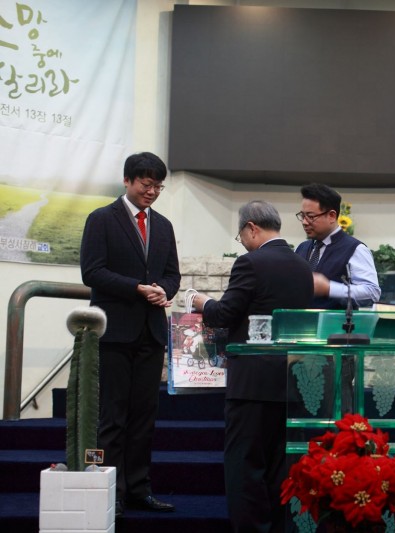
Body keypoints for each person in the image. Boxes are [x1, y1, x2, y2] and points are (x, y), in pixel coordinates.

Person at [191, 200, 314, 533]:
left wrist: (202, 302)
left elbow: (224, 314)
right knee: (281, 469)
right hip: (292, 380)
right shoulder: (303, 266)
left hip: (251, 383)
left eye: (241, 235)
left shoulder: (250, 262)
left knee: (245, 467)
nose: (243, 242)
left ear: (251, 228)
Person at [79, 151, 180, 517]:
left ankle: (139, 489)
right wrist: (137, 288)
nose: (151, 192)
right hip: (115, 333)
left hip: (150, 334)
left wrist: (163, 290)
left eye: (158, 186)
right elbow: (92, 272)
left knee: (144, 417)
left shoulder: (164, 225)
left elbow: (172, 274)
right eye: (145, 184)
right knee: (113, 416)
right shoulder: (101, 219)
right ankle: (112, 491)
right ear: (127, 181)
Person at [295, 183, 380, 310]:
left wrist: (329, 288)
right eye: (302, 216)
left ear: (331, 216)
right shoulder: (302, 248)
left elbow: (372, 293)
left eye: (311, 217)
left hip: (336, 322)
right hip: (299, 320)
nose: (304, 222)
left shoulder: (355, 249)